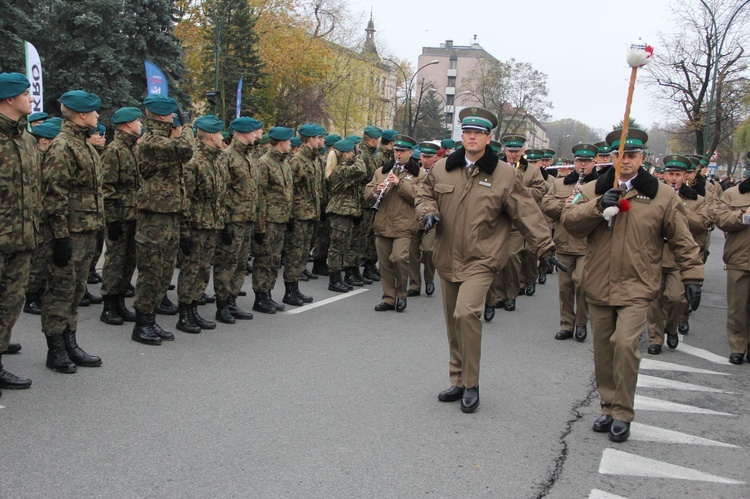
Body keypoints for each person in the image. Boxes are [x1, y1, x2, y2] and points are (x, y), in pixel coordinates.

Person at [415, 107, 562, 413]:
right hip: (446, 256)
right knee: (453, 322)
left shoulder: (504, 174)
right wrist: (427, 211)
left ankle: (471, 383)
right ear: (462, 136)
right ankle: (456, 379)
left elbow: (526, 212)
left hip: (482, 258)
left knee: (467, 314)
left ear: (488, 138)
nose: (471, 137)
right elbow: (423, 194)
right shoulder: (442, 167)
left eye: (478, 133)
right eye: (467, 132)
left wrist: (545, 247)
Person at [562, 129, 704, 442]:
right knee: (603, 352)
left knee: (625, 345)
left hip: (638, 286)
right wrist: (598, 206)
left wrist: (693, 276)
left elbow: (681, 239)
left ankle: (623, 413)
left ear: (642, 158)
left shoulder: (661, 196)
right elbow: (570, 223)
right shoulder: (591, 190)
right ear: (611, 157)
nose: (625, 161)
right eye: (619, 155)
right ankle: (607, 405)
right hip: (599, 283)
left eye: (631, 155)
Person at [41, 90, 104, 372]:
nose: (98, 116)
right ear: (81, 115)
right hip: (69, 233)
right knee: (60, 291)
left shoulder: (86, 147)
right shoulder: (63, 146)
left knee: (77, 290)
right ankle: (55, 350)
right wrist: (60, 235)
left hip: (87, 230)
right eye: (94, 112)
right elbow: (54, 194)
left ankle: (70, 342)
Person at [131, 95, 193, 345]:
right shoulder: (151, 140)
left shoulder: (165, 139)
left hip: (170, 213)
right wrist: (188, 126)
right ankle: (142, 323)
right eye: (171, 115)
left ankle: (151, 319)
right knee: (151, 270)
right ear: (161, 116)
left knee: (165, 269)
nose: (174, 119)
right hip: (154, 215)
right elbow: (186, 149)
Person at [645, 154, 709, 355]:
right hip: (654, 254)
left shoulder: (697, 200)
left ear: (685, 177)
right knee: (654, 299)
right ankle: (655, 338)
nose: (673, 178)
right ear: (664, 175)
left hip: (677, 258)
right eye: (670, 174)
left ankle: (671, 328)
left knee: (676, 299)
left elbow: (702, 225)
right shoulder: (651, 196)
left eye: (678, 175)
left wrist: (678, 208)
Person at [0, 73, 39, 392]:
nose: (31, 99)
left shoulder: (26, 140)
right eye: (26, 94)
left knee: (12, 300)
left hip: (23, 237)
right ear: (10, 99)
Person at [542, 143, 599, 342]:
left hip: (588, 244)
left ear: (595, 162)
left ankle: (581, 322)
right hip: (564, 242)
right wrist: (564, 204)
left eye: (587, 161)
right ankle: (566, 324)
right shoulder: (560, 184)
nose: (583, 165)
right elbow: (546, 205)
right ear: (573, 162)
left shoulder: (600, 185)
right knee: (565, 287)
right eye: (579, 161)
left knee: (582, 283)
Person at [175, 115, 227, 334]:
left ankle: (194, 308)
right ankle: (184, 313)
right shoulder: (194, 161)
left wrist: (223, 223)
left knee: (203, 269)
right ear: (212, 136)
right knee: (191, 269)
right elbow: (185, 198)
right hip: (196, 224)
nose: (223, 138)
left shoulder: (216, 160)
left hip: (211, 224)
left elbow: (220, 197)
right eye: (220, 134)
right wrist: (185, 231)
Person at [364, 134, 425, 312]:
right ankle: (389, 298)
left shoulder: (418, 174)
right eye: (396, 151)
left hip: (404, 225)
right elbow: (367, 196)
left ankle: (401, 293)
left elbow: (419, 197)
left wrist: (400, 184)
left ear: (410, 152)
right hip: (382, 224)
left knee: (399, 258)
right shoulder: (382, 171)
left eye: (402, 151)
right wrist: (377, 189)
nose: (398, 154)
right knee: (384, 264)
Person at [212, 116, 262, 324]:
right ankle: (222, 305)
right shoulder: (227, 158)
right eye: (253, 132)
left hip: (247, 219)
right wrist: (224, 223)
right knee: (227, 264)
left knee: (241, 264)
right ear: (242, 134)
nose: (256, 136)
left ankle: (232, 300)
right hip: (233, 220)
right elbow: (220, 193)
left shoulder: (249, 157)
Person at [99, 107, 143, 326]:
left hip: (133, 214)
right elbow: (107, 188)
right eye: (137, 121)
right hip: (119, 215)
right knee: (115, 260)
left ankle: (120, 302)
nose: (140, 124)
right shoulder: (114, 150)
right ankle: (109, 304)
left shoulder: (132, 149)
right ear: (126, 125)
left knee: (129, 260)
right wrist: (112, 218)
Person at [252, 126, 294, 314]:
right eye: (289, 141)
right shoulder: (264, 163)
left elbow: (288, 194)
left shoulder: (284, 164)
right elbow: (259, 196)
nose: (291, 145)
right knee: (264, 259)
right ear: (282, 142)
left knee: (274, 259)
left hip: (281, 220)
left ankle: (268, 293)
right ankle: (260, 297)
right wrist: (259, 226)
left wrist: (289, 216)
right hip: (268, 220)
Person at [282, 124, 326, 306]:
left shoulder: (315, 160)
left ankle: (295, 288)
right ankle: (289, 291)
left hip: (311, 214)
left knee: (302, 254)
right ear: (310, 140)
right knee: (295, 253)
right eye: (319, 138)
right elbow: (288, 190)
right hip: (299, 215)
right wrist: (290, 216)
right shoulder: (296, 161)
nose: (321, 141)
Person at [713, 158, 750, 365]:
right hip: (740, 257)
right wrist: (744, 215)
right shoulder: (733, 194)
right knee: (737, 307)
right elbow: (721, 220)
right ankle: (737, 346)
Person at [24, 119, 62, 316]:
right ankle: (30, 297)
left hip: (44, 216)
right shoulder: (36, 160)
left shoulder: (47, 159)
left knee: (43, 258)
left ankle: (37, 292)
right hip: (36, 217)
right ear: (45, 141)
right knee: (37, 260)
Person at [325, 139, 367, 292]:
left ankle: (338, 278)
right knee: (336, 246)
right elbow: (362, 169)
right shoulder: (340, 169)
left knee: (342, 245)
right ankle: (334, 279)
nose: (353, 154)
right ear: (344, 154)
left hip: (347, 210)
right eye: (351, 152)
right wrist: (358, 156)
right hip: (340, 211)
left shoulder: (342, 168)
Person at [408, 141, 440, 297]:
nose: (426, 159)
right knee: (412, 252)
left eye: (429, 157)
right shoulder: (414, 172)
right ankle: (414, 284)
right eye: (423, 156)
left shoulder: (440, 173)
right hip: (414, 217)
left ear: (435, 157)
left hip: (432, 218)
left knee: (428, 250)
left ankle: (429, 279)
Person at [354, 125, 383, 284]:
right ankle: (353, 270)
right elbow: (362, 180)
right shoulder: (364, 155)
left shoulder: (368, 155)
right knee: (360, 239)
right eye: (377, 140)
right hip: (363, 203)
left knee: (364, 238)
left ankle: (358, 270)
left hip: (366, 203)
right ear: (373, 140)